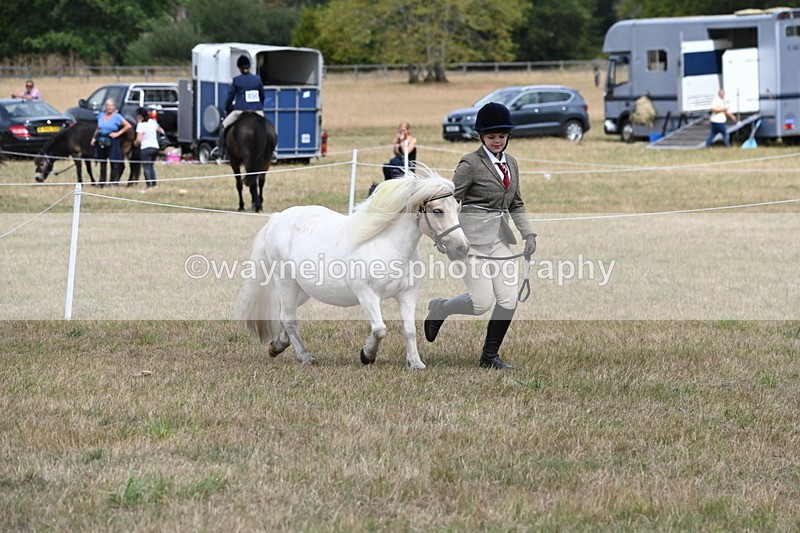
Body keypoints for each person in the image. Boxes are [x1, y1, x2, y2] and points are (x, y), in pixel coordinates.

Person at [424, 102, 537, 370]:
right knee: (480, 303)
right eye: (491, 137)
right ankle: (441, 307)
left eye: (501, 136)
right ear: (480, 137)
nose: (497, 141)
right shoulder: (470, 164)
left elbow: (516, 203)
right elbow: (450, 202)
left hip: (499, 238)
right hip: (470, 242)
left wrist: (528, 233)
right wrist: (444, 239)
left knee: (508, 298)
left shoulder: (512, 163)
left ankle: (489, 357)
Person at [216, 55, 265, 161]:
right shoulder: (257, 79)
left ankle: (221, 152)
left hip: (240, 110)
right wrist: (259, 106)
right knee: (266, 128)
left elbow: (230, 96)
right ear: (249, 67)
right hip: (257, 110)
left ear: (239, 67)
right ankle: (271, 151)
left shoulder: (237, 80)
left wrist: (227, 107)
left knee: (223, 126)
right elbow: (262, 96)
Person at [90, 99, 132, 186]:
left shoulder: (117, 117)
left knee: (114, 160)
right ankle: (102, 181)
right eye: (107, 106)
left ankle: (113, 181)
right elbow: (98, 128)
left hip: (113, 140)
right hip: (101, 139)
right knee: (102, 161)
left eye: (111, 106)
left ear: (114, 107)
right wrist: (94, 138)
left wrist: (118, 133)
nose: (109, 108)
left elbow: (128, 125)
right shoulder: (101, 115)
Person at [134, 107, 164, 189]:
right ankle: (154, 184)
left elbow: (139, 139)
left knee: (146, 167)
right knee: (151, 166)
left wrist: (135, 144)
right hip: (155, 146)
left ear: (140, 116)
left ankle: (149, 185)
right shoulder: (152, 122)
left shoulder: (140, 125)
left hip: (145, 147)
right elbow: (161, 130)